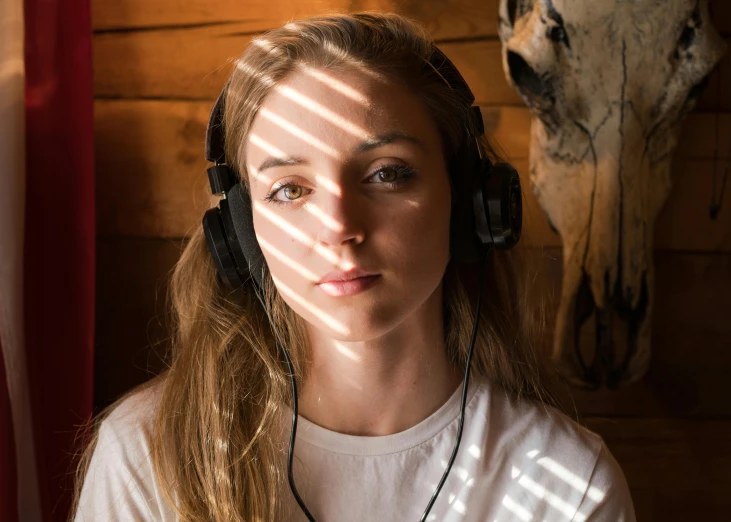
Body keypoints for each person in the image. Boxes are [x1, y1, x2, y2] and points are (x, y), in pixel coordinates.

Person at [72, 11, 636, 522]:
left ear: (468, 202)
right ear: (241, 233)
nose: (339, 225)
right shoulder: (150, 456)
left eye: (387, 173)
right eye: (290, 189)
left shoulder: (566, 485)